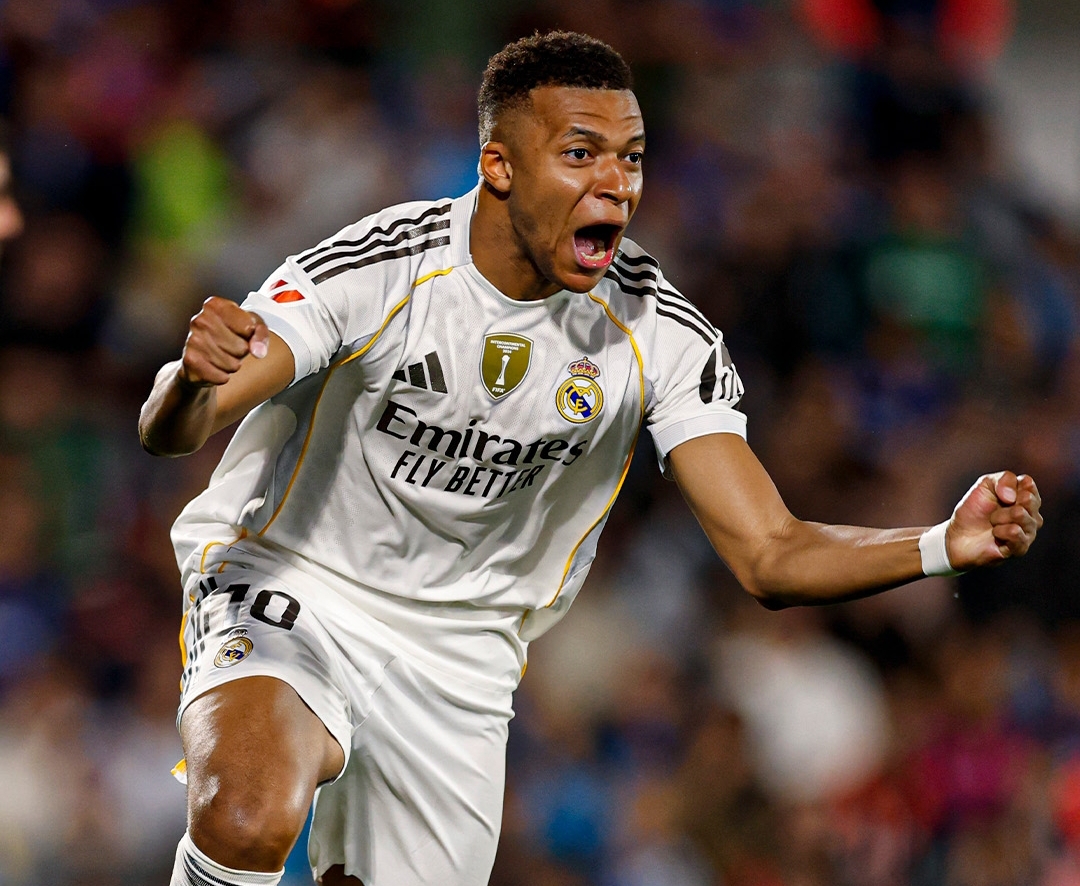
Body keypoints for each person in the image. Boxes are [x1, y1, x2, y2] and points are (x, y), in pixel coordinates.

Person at [139, 31, 1042, 886]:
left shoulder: (658, 332)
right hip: (298, 585)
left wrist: (939, 544)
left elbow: (770, 555)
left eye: (633, 157)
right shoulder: (382, 270)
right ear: (499, 166)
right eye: (581, 154)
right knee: (247, 814)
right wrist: (191, 380)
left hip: (463, 655)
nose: (615, 184)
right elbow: (177, 425)